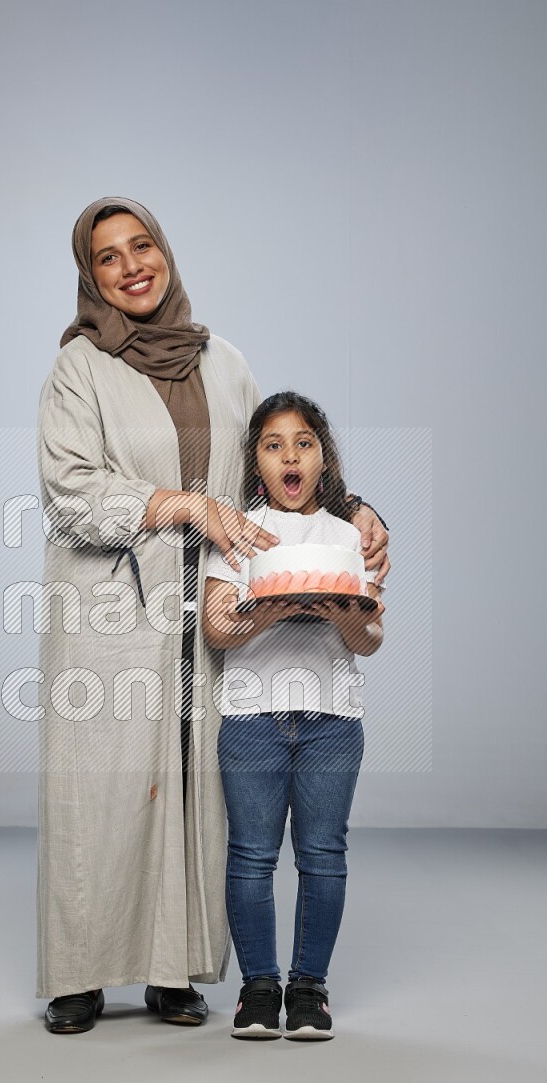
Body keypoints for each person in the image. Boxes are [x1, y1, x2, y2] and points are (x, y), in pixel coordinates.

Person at [36, 198, 390, 1034]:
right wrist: (182, 505)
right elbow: (69, 491)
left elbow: (275, 463)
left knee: (195, 793)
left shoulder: (223, 361)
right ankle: (80, 976)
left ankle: (171, 973)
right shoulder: (78, 370)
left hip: (218, 606)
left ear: (165, 251)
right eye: (109, 257)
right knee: (102, 789)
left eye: (142, 246)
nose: (131, 267)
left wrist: (363, 507)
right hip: (112, 607)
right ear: (91, 276)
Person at [202, 392, 385, 1040]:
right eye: (274, 443)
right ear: (257, 459)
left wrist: (338, 608)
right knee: (251, 856)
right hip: (252, 717)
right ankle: (258, 988)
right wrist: (270, 609)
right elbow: (219, 630)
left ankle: (309, 988)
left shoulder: (351, 535)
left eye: (303, 442)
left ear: (322, 458)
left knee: (323, 855)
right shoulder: (239, 530)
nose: (290, 454)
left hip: (332, 719)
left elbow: (369, 640)